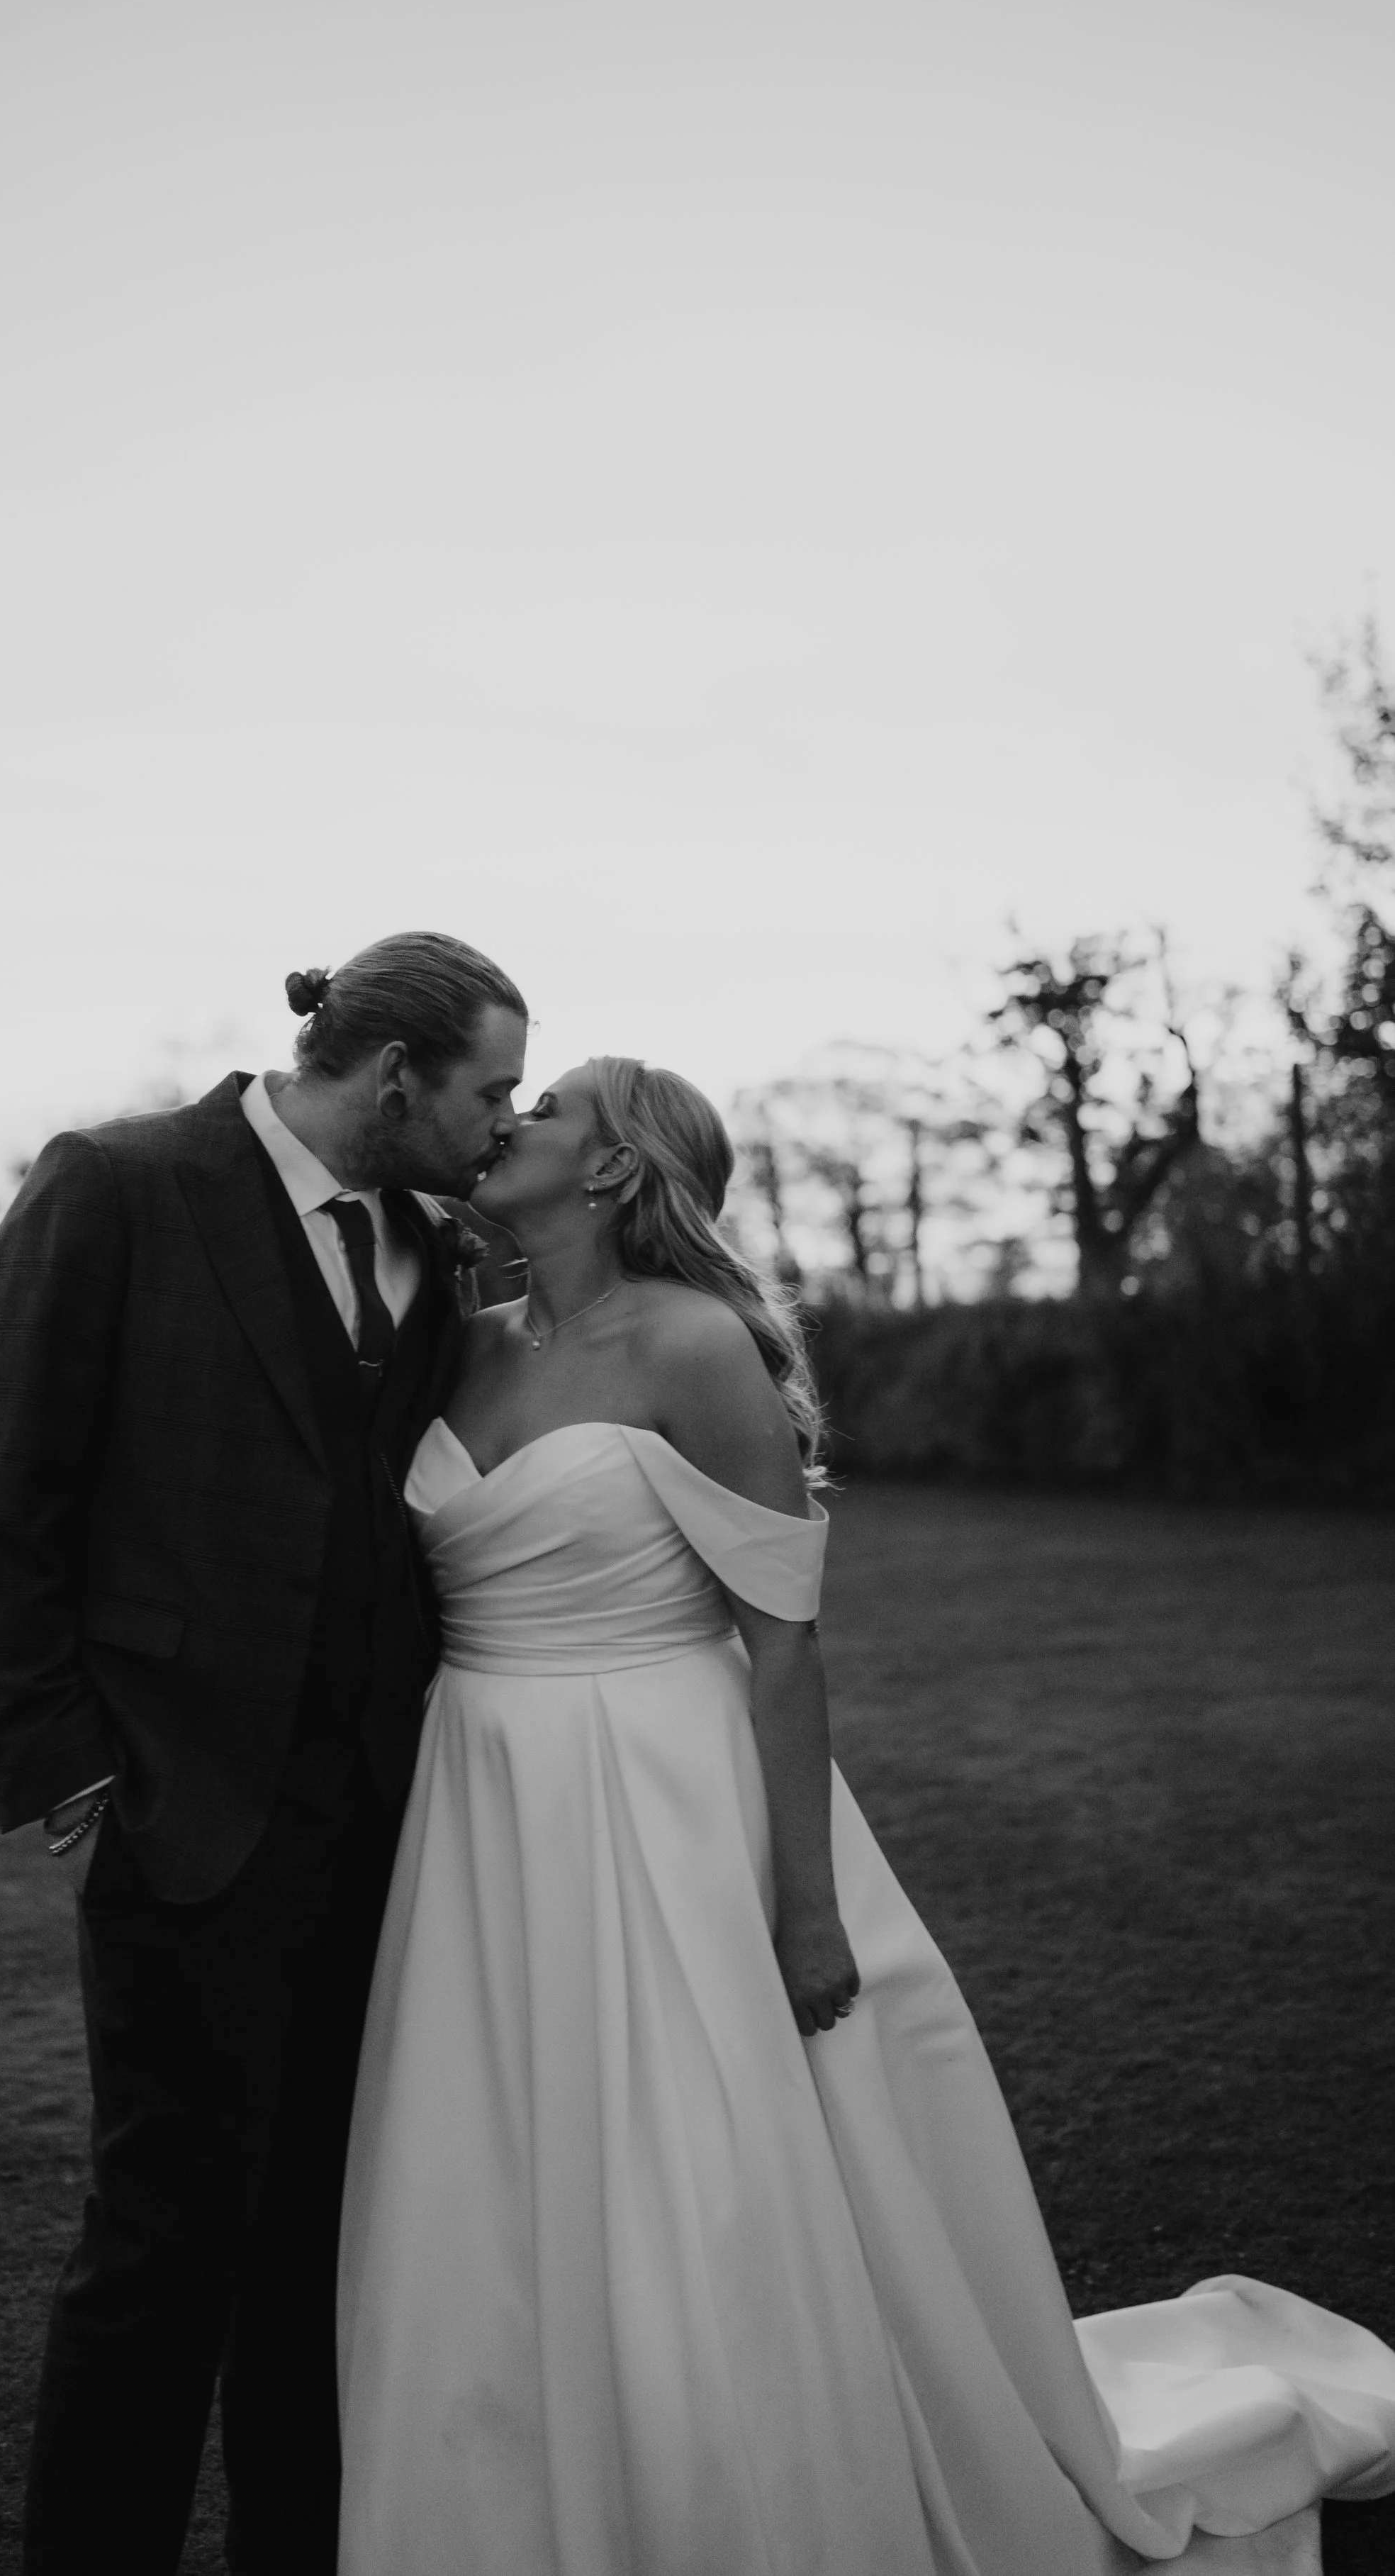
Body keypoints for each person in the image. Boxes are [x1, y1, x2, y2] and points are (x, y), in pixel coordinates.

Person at [335, 1055, 1395, 2576]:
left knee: (690, 2163)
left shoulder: (694, 1346)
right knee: (494, 2161)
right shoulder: (459, 1344)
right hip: (479, 1801)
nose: (506, 1121)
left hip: (660, 1791)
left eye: (547, 1105)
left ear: (616, 1167)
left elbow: (779, 1638)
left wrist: (805, 1902)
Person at [0, 933, 527, 2576]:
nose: (509, 1119)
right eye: (490, 1088)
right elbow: (3, 1495)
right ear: (396, 1074)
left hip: (388, 1828)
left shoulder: (439, 1234)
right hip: (182, 1808)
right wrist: (53, 1752)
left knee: (326, 2251)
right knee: (162, 2248)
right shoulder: (116, 1186)